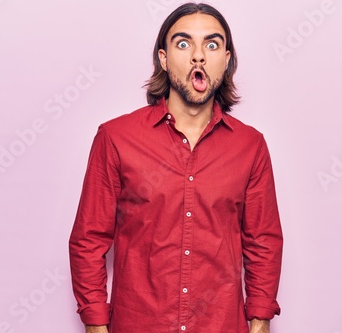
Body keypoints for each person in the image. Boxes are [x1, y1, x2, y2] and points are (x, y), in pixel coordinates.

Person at [69, 3, 283, 333]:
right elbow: (88, 240)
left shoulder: (250, 147)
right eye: (183, 43)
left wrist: (259, 322)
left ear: (225, 61)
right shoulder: (116, 139)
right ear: (164, 58)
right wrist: (96, 326)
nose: (198, 55)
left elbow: (263, 242)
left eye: (212, 45)